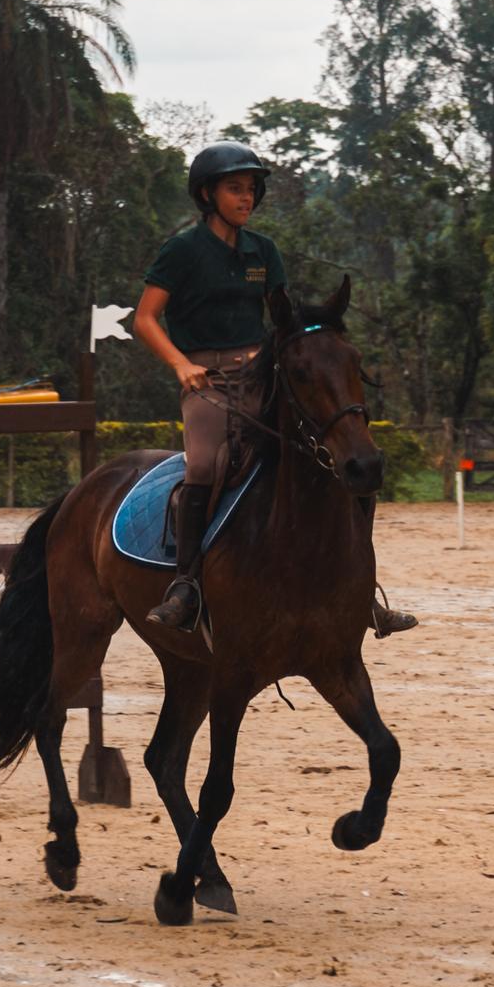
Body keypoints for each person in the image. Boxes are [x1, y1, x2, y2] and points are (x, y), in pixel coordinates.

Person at [133, 140, 416, 636]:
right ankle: (186, 586)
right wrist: (179, 364)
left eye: (251, 190)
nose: (246, 198)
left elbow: (284, 318)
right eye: (235, 189)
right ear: (207, 194)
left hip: (261, 375)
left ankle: (362, 590)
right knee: (205, 464)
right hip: (207, 380)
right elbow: (145, 318)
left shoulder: (263, 251)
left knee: (345, 455)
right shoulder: (181, 251)